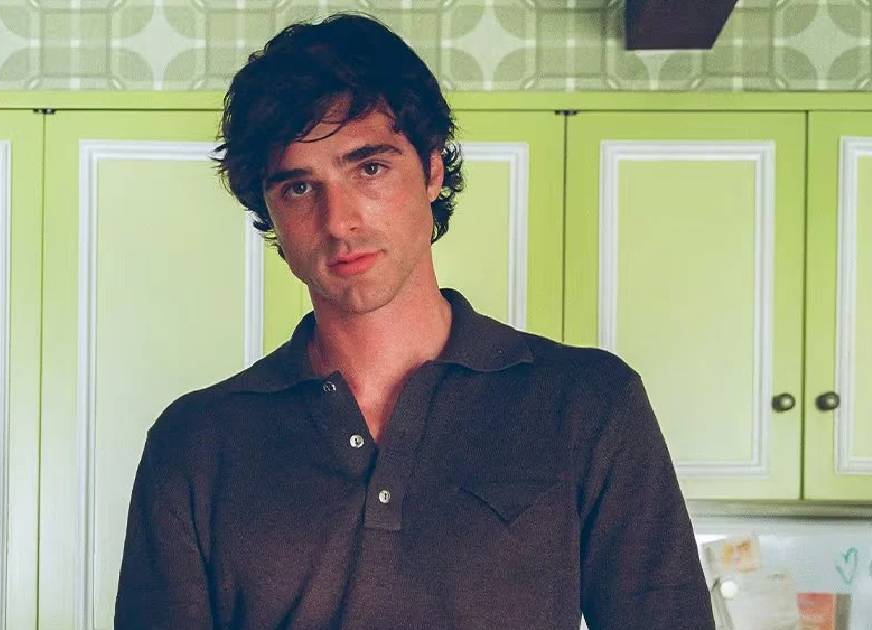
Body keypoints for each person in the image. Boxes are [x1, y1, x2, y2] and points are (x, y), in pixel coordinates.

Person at [115, 13, 713, 629]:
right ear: (268, 211)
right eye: (298, 188)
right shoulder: (195, 443)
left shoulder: (589, 404)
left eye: (369, 168)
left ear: (432, 170)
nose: (338, 221)